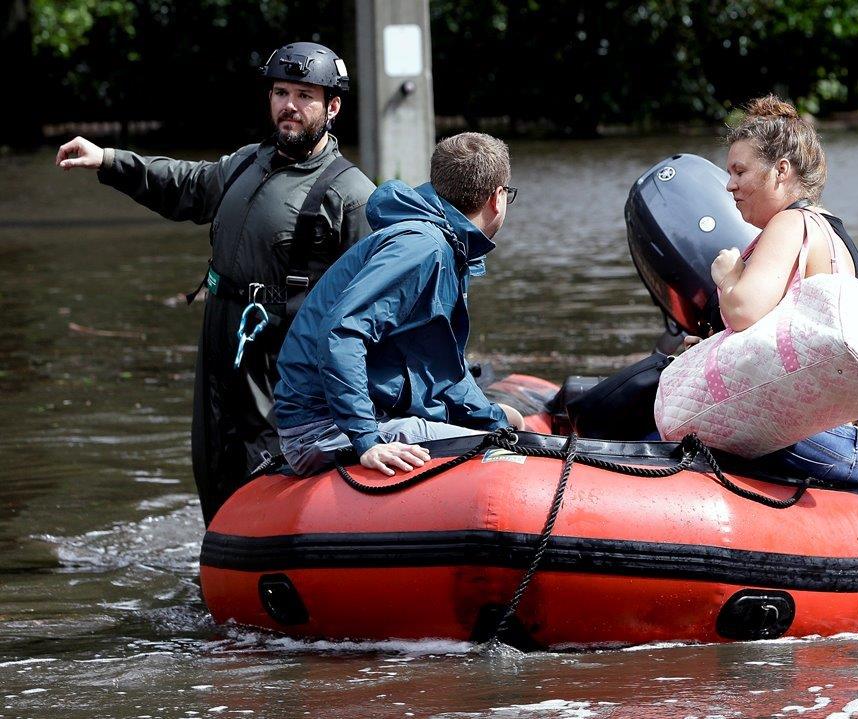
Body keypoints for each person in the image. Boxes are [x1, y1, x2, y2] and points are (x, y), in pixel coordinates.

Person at [54, 42, 376, 524]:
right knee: (211, 460)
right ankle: (217, 573)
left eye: (305, 95)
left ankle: (271, 567)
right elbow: (184, 184)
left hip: (280, 353)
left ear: (332, 107)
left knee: (264, 463)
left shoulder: (351, 194)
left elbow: (373, 302)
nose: (288, 105)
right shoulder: (248, 162)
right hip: (219, 336)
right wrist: (109, 160)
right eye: (280, 92)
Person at [274, 132, 525, 478]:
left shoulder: (448, 244)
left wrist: (492, 416)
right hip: (321, 429)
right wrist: (367, 439)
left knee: (503, 430)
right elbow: (342, 332)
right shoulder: (422, 248)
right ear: (497, 199)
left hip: (355, 415)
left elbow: (442, 368)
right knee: (506, 462)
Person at [708, 96, 858, 484]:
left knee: (671, 431)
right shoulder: (829, 226)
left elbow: (741, 311)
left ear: (780, 170)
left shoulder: (790, 224)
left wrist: (728, 273)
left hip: (832, 442)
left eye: (740, 172)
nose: (729, 184)